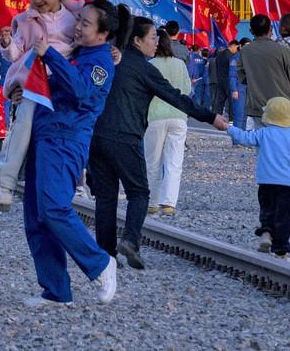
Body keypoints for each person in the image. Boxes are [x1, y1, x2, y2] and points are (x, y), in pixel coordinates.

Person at [89, 16, 219, 270]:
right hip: (125, 136)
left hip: (97, 136)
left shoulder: (110, 59)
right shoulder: (144, 68)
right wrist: (211, 117)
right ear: (137, 40)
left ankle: (106, 256)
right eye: (152, 38)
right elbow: (175, 97)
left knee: (106, 199)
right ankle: (130, 240)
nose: (156, 42)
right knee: (139, 193)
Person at [20, 0, 124, 308]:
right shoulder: (78, 54)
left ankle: (101, 264)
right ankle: (56, 291)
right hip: (45, 137)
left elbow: (81, 91)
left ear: (103, 33)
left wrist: (48, 55)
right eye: (78, 20)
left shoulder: (101, 62)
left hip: (66, 140)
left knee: (54, 207)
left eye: (85, 24)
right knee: (38, 217)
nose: (77, 26)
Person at [0, 0, 83, 209]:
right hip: (35, 82)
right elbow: (15, 54)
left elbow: (92, 44)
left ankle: (76, 183)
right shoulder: (25, 20)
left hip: (64, 82)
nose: (37, 1)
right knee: (22, 129)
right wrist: (7, 42)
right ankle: (4, 183)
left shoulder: (77, 18)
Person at [214, 97, 290, 259]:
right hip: (287, 185)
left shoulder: (262, 134)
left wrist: (228, 127)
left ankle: (266, 232)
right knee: (284, 216)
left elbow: (244, 138)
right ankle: (281, 248)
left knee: (267, 210)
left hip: (265, 182)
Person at [144, 31, 194, 215]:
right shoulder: (180, 64)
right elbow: (187, 89)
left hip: (155, 116)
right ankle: (169, 203)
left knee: (152, 161)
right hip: (178, 116)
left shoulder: (149, 65)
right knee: (174, 161)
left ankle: (152, 202)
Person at [239, 15, 290, 131]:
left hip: (259, 108)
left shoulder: (245, 51)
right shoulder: (282, 50)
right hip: (283, 107)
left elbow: (242, 77)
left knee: (264, 146)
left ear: (251, 31)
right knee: (288, 146)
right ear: (270, 29)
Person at [228, 40, 246, 129]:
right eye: (246, 45)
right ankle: (237, 141)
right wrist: (234, 89)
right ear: (240, 46)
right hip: (239, 89)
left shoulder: (252, 58)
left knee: (246, 117)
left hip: (249, 90)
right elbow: (232, 76)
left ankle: (243, 139)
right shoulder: (235, 58)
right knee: (239, 115)